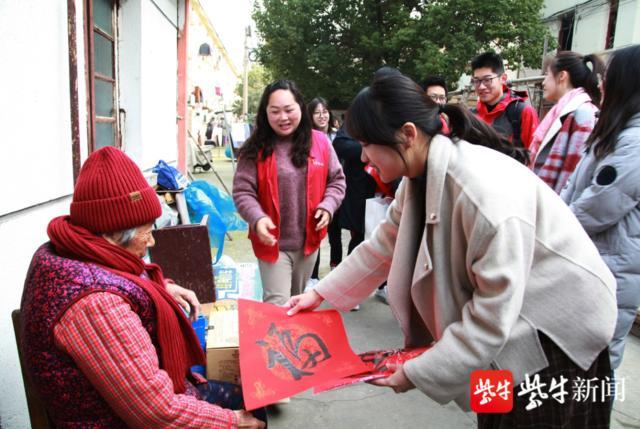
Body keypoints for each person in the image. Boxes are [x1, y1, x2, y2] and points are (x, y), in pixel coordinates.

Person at [287, 70, 617, 427]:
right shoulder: (418, 177)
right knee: (493, 414)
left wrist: (418, 372)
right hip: (509, 328)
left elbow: (490, 319)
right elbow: (383, 244)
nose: (365, 159)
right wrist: (320, 295)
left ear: (407, 135)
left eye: (367, 145)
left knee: (523, 417)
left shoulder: (481, 196)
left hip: (554, 337)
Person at [20, 147, 265, 428]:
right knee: (255, 406)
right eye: (147, 231)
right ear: (112, 232)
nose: (152, 242)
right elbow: (157, 412)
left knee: (247, 389)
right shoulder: (95, 304)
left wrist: (162, 289)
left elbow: (116, 278)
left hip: (123, 406)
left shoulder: (72, 248)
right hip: (115, 421)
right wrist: (234, 423)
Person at [561, 44, 640, 372]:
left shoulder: (635, 141)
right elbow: (573, 185)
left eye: (608, 78)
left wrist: (554, 227)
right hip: (590, 262)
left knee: (596, 363)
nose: (601, 85)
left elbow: (599, 205)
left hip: (610, 270)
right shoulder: (613, 130)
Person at [233, 80, 345, 305]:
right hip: (272, 244)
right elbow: (243, 190)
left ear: (300, 109)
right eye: (275, 111)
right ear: (266, 114)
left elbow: (337, 180)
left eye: (289, 110)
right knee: (277, 306)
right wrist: (257, 217)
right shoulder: (254, 148)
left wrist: (328, 205)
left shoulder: (320, 142)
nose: (283, 117)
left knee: (297, 302)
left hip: (308, 243)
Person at [529, 51, 604, 193]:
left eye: (547, 75)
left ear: (562, 76)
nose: (543, 82)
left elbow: (574, 172)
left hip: (558, 204)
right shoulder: (562, 111)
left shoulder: (583, 112)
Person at [471, 51, 539, 151]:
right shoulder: (471, 116)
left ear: (503, 78)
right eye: (476, 81)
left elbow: (533, 156)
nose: (481, 86)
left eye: (487, 80)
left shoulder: (523, 112)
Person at [307, 97, 340, 289]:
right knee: (316, 234)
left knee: (335, 234)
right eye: (317, 112)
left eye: (325, 111)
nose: (322, 116)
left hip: (335, 193)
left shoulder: (338, 136)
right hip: (316, 193)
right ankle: (312, 276)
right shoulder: (307, 138)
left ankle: (336, 269)